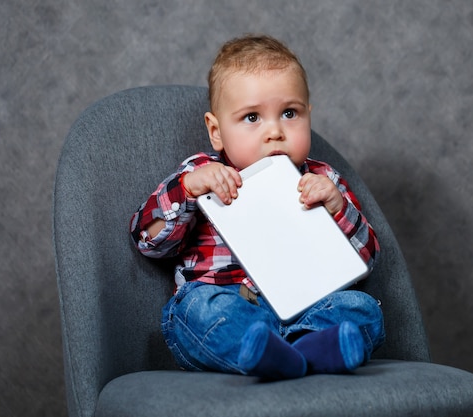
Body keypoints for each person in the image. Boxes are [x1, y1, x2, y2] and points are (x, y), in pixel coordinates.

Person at [130, 34, 385, 380]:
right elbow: (147, 239)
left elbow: (367, 260)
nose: (274, 132)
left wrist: (338, 209)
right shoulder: (200, 175)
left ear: (309, 116)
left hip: (305, 310)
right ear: (217, 131)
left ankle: (301, 349)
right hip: (231, 303)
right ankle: (276, 351)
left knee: (362, 308)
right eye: (252, 118)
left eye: (289, 113)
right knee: (197, 309)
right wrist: (188, 190)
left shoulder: (323, 180)